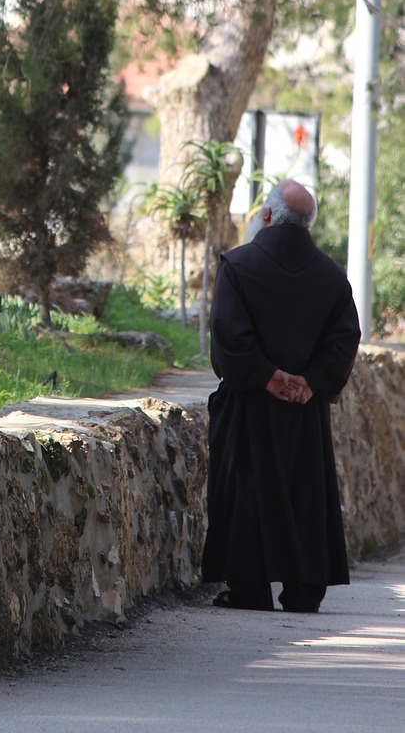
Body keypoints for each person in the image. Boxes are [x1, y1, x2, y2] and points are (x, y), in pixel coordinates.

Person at [201, 179, 361, 613]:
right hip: (303, 410)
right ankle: (305, 589)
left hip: (250, 403)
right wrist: (310, 381)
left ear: (267, 215)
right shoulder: (331, 276)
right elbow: (345, 338)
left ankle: (249, 589)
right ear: (307, 224)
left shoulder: (238, 265)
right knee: (305, 492)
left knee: (248, 488)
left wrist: (267, 375)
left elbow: (229, 337)